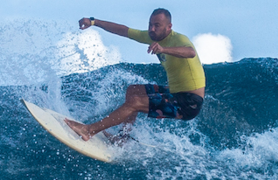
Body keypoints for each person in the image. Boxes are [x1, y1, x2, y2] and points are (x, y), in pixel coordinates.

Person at [66, 9, 205, 140]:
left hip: (189, 102)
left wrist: (164, 49)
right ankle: (124, 137)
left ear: (169, 27)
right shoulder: (152, 36)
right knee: (133, 91)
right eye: (150, 25)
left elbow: (190, 52)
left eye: (157, 25)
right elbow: (124, 31)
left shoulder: (179, 39)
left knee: (135, 102)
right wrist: (94, 22)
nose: (152, 29)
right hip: (175, 92)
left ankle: (88, 131)